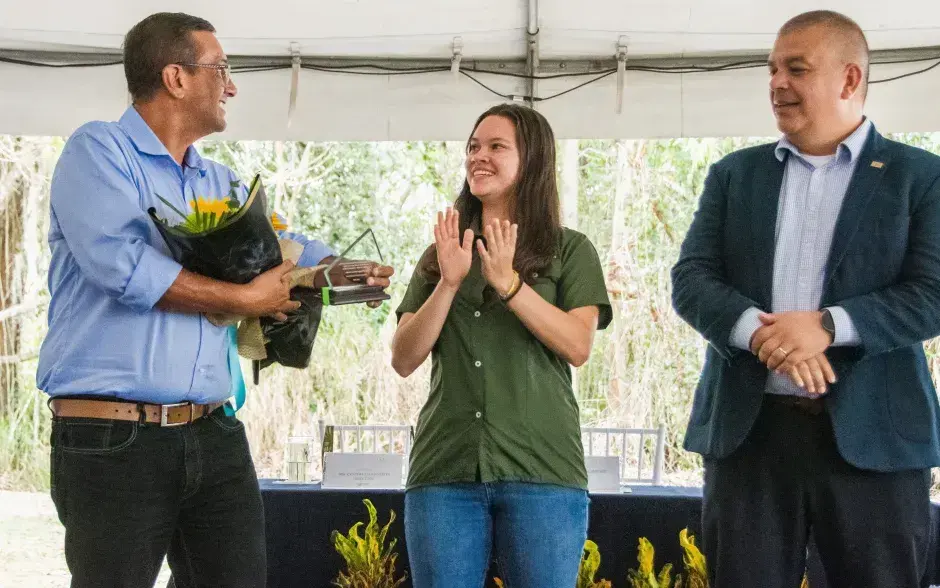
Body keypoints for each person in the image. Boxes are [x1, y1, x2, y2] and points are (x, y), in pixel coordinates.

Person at [37, 12, 393, 588]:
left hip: (214, 432)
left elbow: (282, 248)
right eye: (221, 69)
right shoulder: (97, 152)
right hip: (114, 437)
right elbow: (121, 267)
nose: (231, 85)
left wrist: (344, 274)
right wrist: (246, 298)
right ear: (176, 77)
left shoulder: (219, 182)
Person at [671, 9, 940, 588]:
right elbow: (691, 278)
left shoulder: (920, 177)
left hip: (876, 441)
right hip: (750, 440)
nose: (777, 83)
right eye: (772, 70)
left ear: (849, 80)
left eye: (796, 69)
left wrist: (827, 326)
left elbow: (933, 292)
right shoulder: (733, 176)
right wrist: (761, 333)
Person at [390, 103, 612, 588]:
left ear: (531, 160)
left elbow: (578, 345)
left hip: (544, 472)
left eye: (496, 147)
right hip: (444, 471)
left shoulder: (570, 249)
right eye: (473, 147)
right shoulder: (441, 253)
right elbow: (403, 357)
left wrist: (509, 284)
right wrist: (449, 283)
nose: (478, 157)